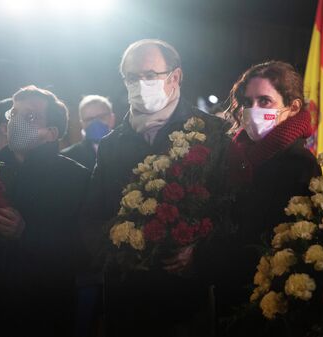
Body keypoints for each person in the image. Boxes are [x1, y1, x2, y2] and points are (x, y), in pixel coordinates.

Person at [83, 39, 230, 336]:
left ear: (174, 77)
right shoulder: (113, 143)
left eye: (150, 75)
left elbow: (229, 209)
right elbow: (94, 212)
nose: (140, 84)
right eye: (131, 77)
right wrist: (112, 253)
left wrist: (200, 256)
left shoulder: (211, 133)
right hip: (126, 299)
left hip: (184, 301)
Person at [0, 85, 90, 337]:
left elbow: (83, 253)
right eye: (13, 114)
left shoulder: (75, 177)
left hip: (43, 313)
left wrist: (26, 234)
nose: (14, 122)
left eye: (29, 117)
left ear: (51, 133)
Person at [217, 61, 322, 335]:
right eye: (248, 102)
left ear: (293, 107)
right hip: (230, 290)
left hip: (271, 302)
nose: (255, 110)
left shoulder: (301, 165)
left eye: (265, 101)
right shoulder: (236, 156)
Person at [61, 95, 115, 171]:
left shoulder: (130, 148)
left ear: (112, 118)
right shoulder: (68, 157)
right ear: (82, 124)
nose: (96, 123)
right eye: (89, 119)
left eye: (101, 117)